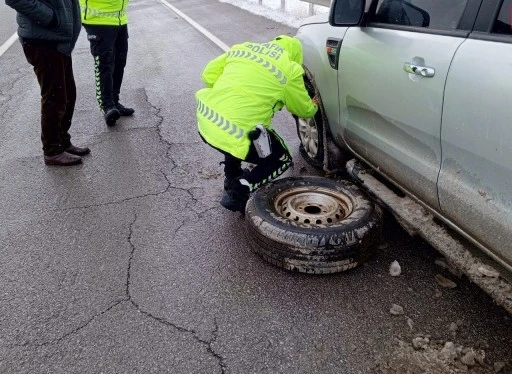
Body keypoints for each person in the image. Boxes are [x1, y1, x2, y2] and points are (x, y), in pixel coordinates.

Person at [196, 35, 319, 213]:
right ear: (295, 56)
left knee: (236, 134)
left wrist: (232, 93)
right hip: (236, 130)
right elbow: (303, 109)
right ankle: (239, 190)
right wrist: (313, 104)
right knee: (281, 159)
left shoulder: (242, 48)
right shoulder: (290, 69)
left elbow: (208, 75)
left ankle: (230, 177)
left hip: (206, 121)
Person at [6, 0, 90, 166]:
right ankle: (52, 150)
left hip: (59, 40)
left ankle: (62, 141)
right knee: (54, 97)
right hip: (43, 41)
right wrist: (51, 18)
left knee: (67, 95)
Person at [79, 0, 134, 126]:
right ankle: (107, 106)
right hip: (98, 19)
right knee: (104, 64)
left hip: (119, 18)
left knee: (120, 62)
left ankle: (115, 101)